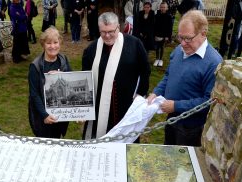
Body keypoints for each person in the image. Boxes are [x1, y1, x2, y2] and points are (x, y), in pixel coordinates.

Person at [147, 10, 223, 146]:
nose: (182, 43)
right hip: (171, 118)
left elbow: (209, 101)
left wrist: (176, 106)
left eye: (188, 38)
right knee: (168, 156)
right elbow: (168, 76)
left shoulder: (214, 63)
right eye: (180, 37)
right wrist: (156, 92)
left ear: (203, 34)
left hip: (191, 128)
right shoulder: (178, 51)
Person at [82, 12, 150, 140]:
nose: (107, 36)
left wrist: (140, 94)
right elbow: (85, 79)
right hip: (99, 107)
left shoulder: (134, 44)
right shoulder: (91, 50)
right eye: (103, 32)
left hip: (126, 104)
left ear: (118, 27)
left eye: (111, 31)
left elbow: (145, 70)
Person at [28, 27, 71, 138]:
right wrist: (45, 115)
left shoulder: (64, 60)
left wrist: (61, 75)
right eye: (48, 43)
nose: (53, 46)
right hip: (43, 116)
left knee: (57, 141)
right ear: (43, 44)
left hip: (60, 114)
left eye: (55, 42)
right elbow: (34, 94)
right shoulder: (35, 66)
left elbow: (71, 81)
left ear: (60, 42)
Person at [153, 2, 172, 67]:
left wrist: (168, 36)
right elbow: (154, 25)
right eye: (161, 7)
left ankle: (161, 59)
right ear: (160, 7)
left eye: (164, 7)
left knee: (162, 46)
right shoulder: (156, 16)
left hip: (164, 35)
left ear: (167, 8)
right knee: (157, 47)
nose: (162, 8)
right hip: (157, 34)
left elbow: (170, 27)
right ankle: (157, 59)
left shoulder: (169, 16)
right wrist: (154, 34)